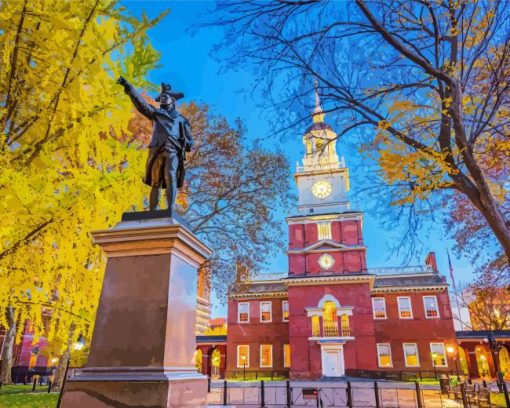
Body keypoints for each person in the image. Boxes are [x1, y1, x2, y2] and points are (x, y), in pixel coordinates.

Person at [117, 76, 194, 215]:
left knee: (170, 177)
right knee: (155, 181)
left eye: (166, 97)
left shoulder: (181, 120)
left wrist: (187, 143)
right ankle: (153, 212)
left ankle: (170, 209)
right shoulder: (156, 113)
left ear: (173, 101)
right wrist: (129, 87)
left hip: (173, 150)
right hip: (157, 150)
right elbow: (141, 104)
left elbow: (190, 141)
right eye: (162, 98)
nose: (163, 99)